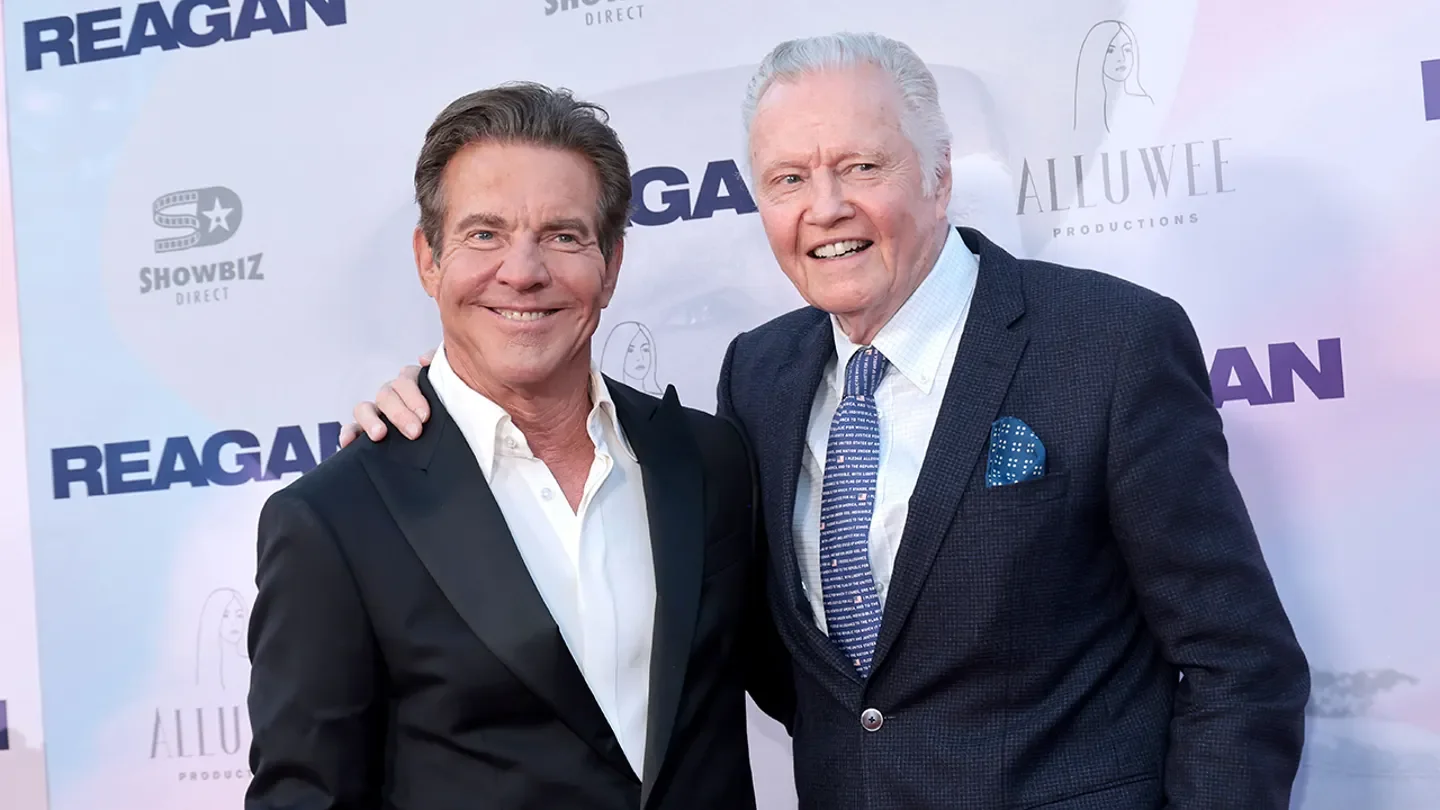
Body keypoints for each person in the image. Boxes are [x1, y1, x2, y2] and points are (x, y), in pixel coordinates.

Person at [342, 33, 1311, 809]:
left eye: (860, 165)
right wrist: (447, 414)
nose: (827, 207)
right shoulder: (760, 375)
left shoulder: (1106, 343)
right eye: (789, 178)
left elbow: (1241, 664)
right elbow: (769, 656)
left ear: (936, 175)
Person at [246, 82, 792, 810]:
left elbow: (816, 685)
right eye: (484, 234)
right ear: (428, 260)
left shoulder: (709, 461)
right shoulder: (335, 521)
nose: (524, 271)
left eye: (563, 236)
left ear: (612, 263)